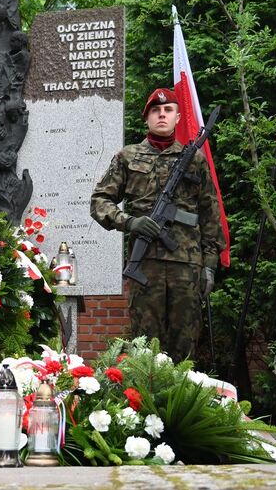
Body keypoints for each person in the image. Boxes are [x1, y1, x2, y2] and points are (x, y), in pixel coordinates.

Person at [91, 88, 222, 363]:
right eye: (155, 110)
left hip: (187, 265)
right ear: (147, 118)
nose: (162, 115)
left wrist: (209, 266)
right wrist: (130, 222)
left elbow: (210, 213)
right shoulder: (127, 157)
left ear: (177, 118)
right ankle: (144, 392)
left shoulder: (194, 159)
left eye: (168, 110)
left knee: (185, 345)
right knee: (144, 346)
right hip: (145, 265)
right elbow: (100, 201)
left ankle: (183, 392)